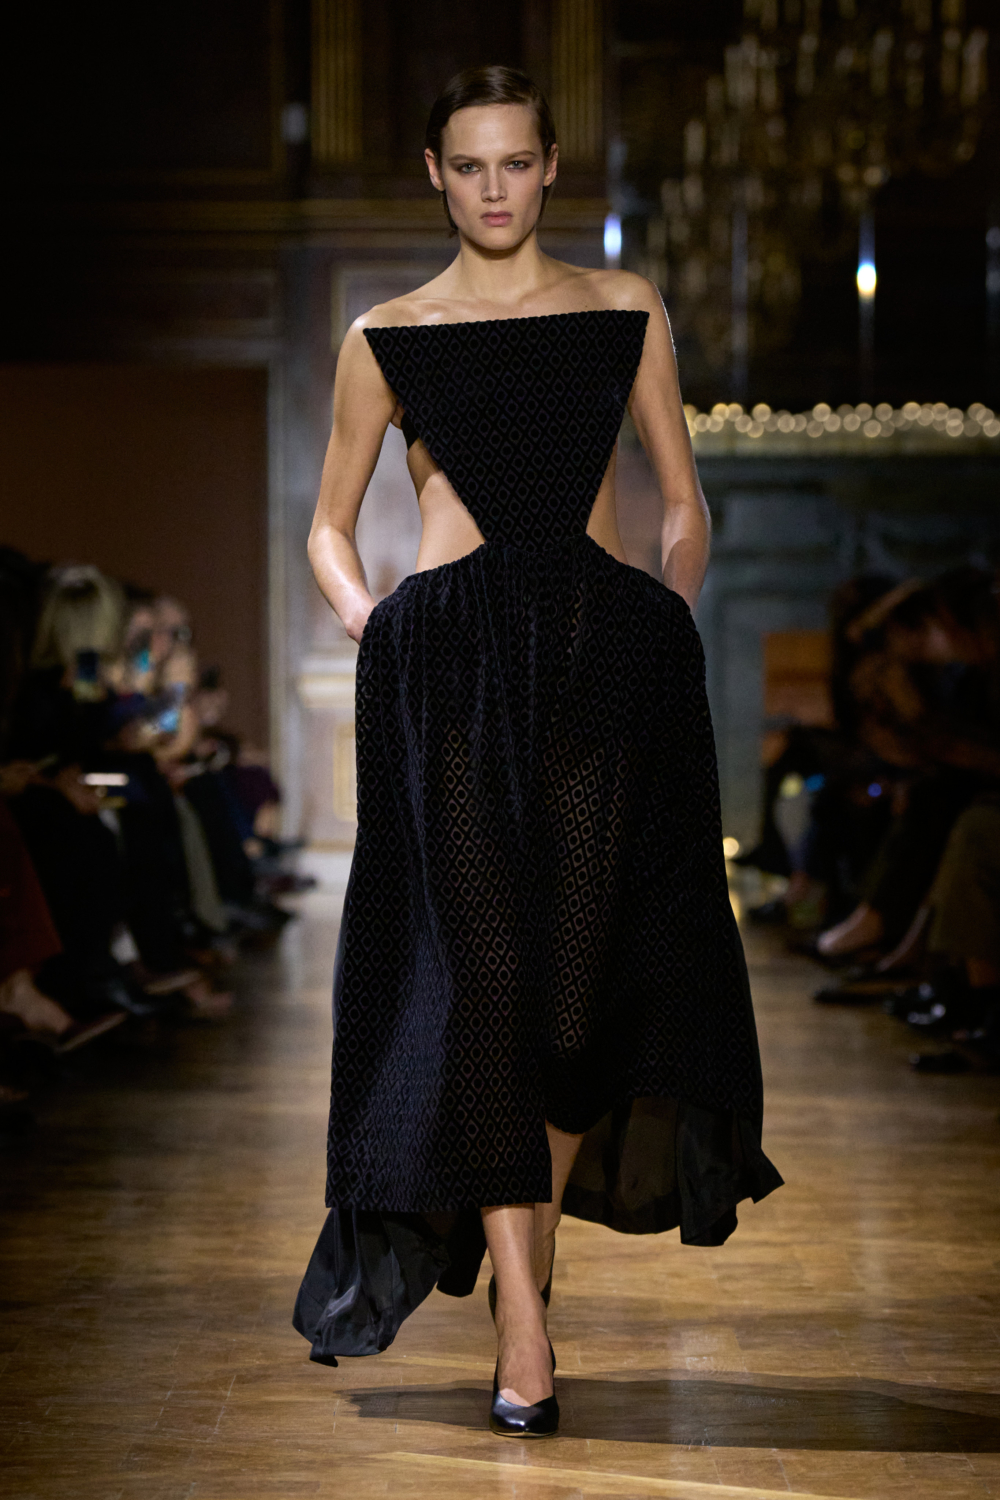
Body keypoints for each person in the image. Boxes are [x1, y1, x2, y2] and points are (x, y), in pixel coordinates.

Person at [294, 65, 781, 1438]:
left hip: (600, 664)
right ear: (434, 175)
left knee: (578, 997)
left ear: (552, 165)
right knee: (490, 988)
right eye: (470, 166)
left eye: (517, 162)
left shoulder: (623, 307)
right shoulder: (390, 333)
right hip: (451, 674)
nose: (495, 188)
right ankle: (523, 1320)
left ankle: (528, 1251)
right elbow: (330, 522)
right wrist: (374, 622)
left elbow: (681, 501)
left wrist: (665, 617)